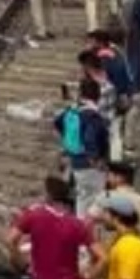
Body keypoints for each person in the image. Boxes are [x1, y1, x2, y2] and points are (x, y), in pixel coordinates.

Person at [55, 78, 110, 220]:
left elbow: (57, 121)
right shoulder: (92, 115)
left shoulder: (73, 109)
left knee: (82, 195)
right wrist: (94, 158)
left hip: (75, 159)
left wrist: (67, 140)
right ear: (97, 95)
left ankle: (79, 223)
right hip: (90, 165)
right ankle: (88, 230)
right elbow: (90, 138)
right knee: (96, 197)